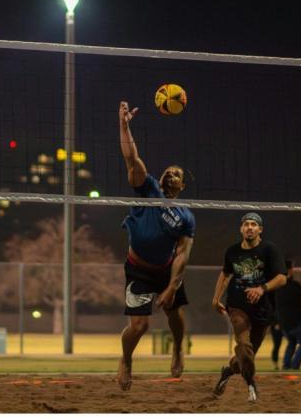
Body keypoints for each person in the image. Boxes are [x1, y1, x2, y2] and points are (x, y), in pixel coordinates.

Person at [117, 101, 195, 391]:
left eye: (177, 174)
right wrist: (124, 125)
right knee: (139, 327)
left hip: (165, 270)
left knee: (175, 314)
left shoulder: (186, 216)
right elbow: (131, 157)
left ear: (182, 186)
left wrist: (172, 286)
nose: (170, 174)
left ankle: (177, 348)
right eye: (168, 171)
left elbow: (184, 253)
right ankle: (126, 359)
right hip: (138, 269)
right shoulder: (147, 187)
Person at [211, 212, 287, 402]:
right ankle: (252, 386)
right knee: (244, 346)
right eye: (246, 224)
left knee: (246, 355)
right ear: (241, 229)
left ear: (260, 229)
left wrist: (262, 289)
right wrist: (216, 298)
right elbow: (225, 274)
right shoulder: (232, 251)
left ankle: (228, 371)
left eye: (254, 224)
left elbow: (282, 278)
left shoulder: (270, 250)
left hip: (262, 310)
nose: (250, 227)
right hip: (237, 307)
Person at [273, 260, 301, 370]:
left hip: (284, 323)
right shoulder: (296, 285)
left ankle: (286, 366)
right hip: (297, 321)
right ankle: (295, 366)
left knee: (291, 342)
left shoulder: (278, 288)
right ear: (290, 270)